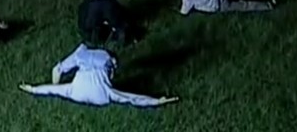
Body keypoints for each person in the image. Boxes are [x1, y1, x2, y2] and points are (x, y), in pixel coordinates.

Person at [18, 43, 179, 107]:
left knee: (86, 55)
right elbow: (132, 98)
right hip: (94, 77)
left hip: (89, 80)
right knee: (97, 57)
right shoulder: (104, 92)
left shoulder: (74, 90)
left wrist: (33, 89)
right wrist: (157, 101)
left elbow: (51, 89)